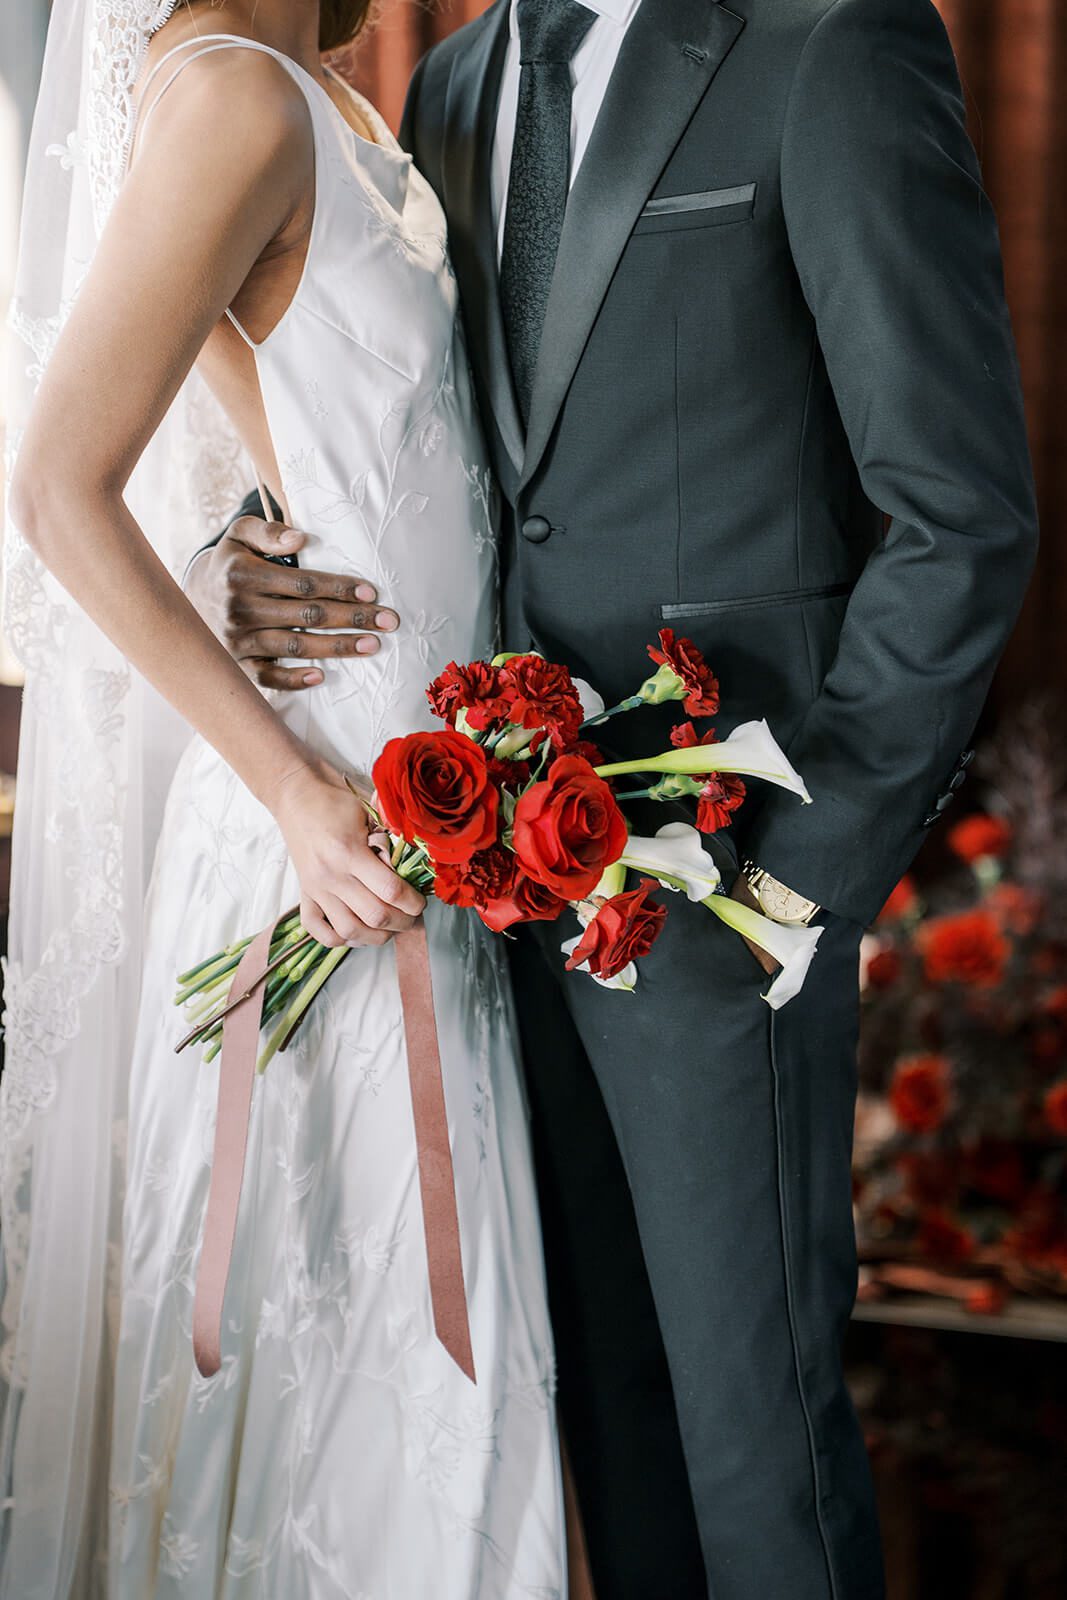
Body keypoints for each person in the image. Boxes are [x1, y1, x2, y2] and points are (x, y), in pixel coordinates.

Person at [193, 0, 1040, 1593]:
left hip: (722, 896)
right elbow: (404, 430)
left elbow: (962, 513)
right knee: (610, 1453)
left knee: (757, 1454)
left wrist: (794, 885)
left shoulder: (831, 42)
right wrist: (248, 551)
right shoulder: (445, 86)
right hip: (478, 909)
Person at [1, 1, 565, 1594]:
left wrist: (239, 542)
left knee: (415, 1414)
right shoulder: (237, 95)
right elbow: (55, 486)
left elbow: (317, 436)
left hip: (434, 818)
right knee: (356, 1417)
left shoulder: (322, 92)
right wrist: (302, 799)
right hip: (328, 847)